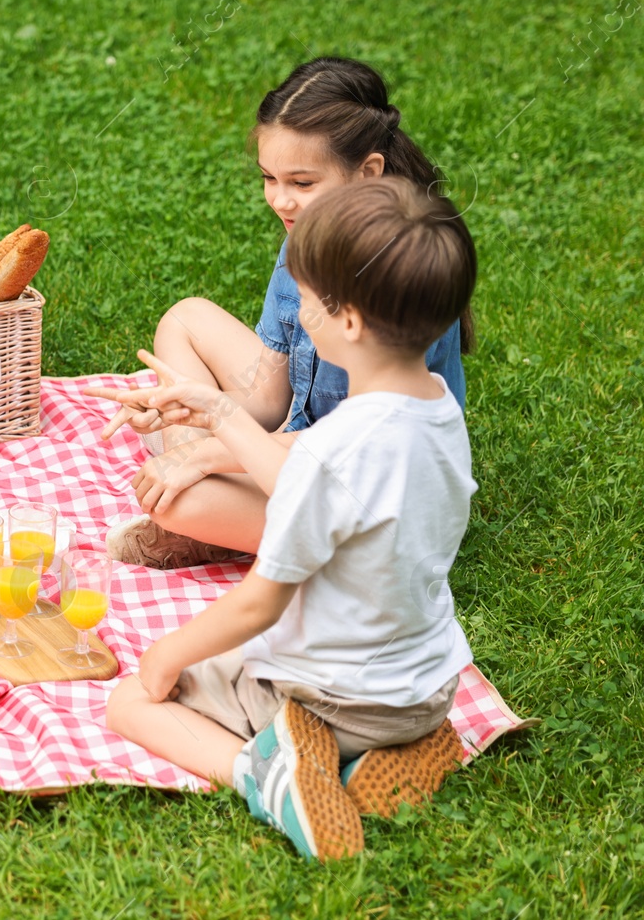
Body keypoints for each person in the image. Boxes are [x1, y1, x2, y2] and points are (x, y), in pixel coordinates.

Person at [104, 177, 477, 861]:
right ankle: (392, 756)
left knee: (131, 702)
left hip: (334, 698)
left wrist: (164, 659)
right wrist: (219, 413)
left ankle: (269, 774)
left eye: (305, 296)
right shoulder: (434, 407)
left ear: (351, 321)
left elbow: (257, 604)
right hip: (424, 689)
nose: (296, 307)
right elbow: (316, 485)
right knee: (236, 670)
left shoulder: (336, 449)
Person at [91, 57, 472, 568]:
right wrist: (193, 410)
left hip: (361, 498)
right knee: (185, 319)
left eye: (302, 182)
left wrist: (206, 449)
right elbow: (272, 396)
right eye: (269, 177)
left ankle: (211, 516)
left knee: (183, 498)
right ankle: (209, 498)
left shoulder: (398, 279)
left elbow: (349, 447)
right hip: (303, 443)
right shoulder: (309, 236)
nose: (280, 199)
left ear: (368, 172)